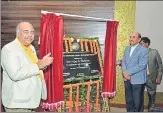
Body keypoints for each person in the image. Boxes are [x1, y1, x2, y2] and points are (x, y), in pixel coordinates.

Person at [1, 22, 53, 112]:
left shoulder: (31, 48)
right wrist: (39, 65)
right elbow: (15, 74)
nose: (30, 35)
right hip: (18, 104)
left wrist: (42, 63)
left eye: (32, 32)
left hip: (30, 100)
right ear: (18, 33)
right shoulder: (9, 49)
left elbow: (32, 66)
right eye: (26, 32)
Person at [122, 32, 149, 112]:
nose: (131, 39)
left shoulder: (144, 50)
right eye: (130, 37)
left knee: (138, 102)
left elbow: (142, 65)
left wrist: (128, 73)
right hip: (127, 79)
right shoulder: (127, 48)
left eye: (133, 37)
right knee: (129, 101)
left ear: (139, 39)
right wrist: (124, 72)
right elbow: (123, 61)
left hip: (138, 80)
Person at [140, 37, 163, 111]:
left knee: (152, 95)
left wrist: (159, 77)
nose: (140, 45)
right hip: (140, 78)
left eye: (142, 43)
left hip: (151, 78)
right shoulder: (137, 53)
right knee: (139, 95)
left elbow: (160, 66)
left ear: (147, 44)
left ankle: (151, 110)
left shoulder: (154, 52)